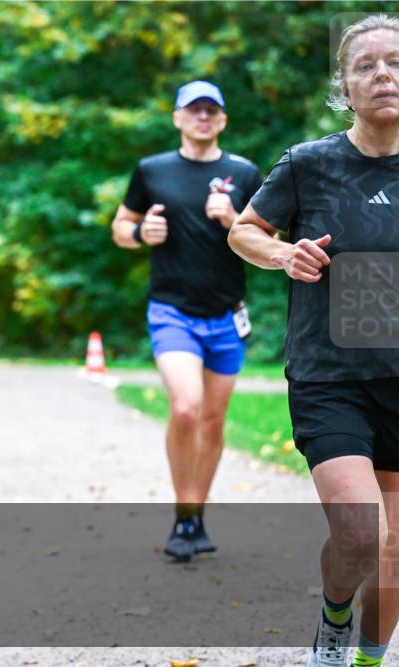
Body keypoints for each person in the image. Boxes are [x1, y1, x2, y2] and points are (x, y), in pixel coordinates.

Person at [228, 15, 399, 667]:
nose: (384, 74)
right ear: (344, 85)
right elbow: (243, 230)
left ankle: (367, 658)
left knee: (394, 552)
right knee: (359, 535)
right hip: (332, 376)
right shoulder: (310, 163)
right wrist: (279, 253)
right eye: (367, 65)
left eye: (397, 61)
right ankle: (333, 626)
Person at [110, 80, 264, 561]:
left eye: (211, 111)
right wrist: (140, 231)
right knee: (186, 409)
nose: (202, 117)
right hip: (172, 309)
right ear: (177, 117)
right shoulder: (151, 170)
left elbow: (268, 237)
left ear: (222, 120)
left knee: (214, 421)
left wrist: (232, 218)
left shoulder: (244, 172)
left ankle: (195, 516)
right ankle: (183, 514)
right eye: (193, 110)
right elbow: (120, 227)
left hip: (226, 313)